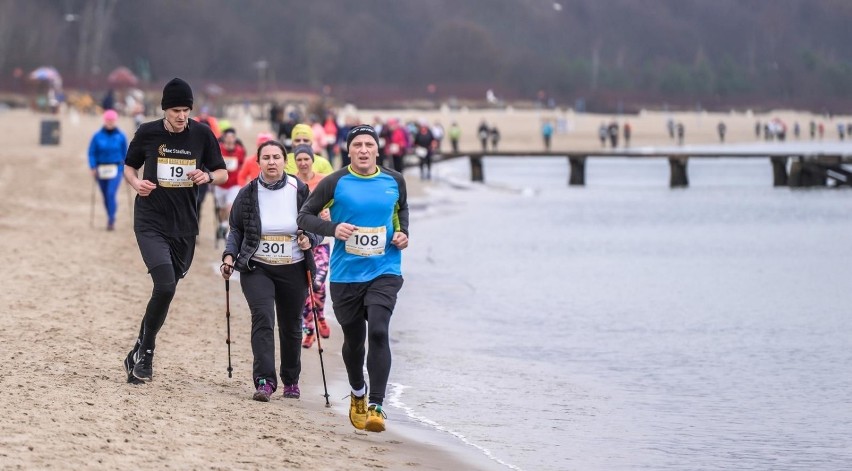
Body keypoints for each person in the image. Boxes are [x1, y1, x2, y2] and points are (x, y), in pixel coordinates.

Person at [298, 124, 409, 433]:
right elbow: (304, 216)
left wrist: (403, 234)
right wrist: (334, 229)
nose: (363, 149)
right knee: (355, 341)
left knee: (377, 331)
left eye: (368, 144)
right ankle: (357, 393)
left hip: (385, 269)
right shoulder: (335, 182)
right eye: (357, 144)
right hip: (346, 275)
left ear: (377, 149)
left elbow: (401, 212)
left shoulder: (394, 180)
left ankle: (376, 405)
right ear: (348, 151)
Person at [122, 77, 227, 383]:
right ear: (165, 110)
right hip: (150, 220)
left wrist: (207, 177)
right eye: (176, 110)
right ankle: (148, 353)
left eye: (186, 110)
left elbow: (222, 172)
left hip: (184, 226)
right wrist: (135, 183)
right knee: (165, 285)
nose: (181, 116)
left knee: (168, 290)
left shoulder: (203, 135)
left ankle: (138, 348)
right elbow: (129, 167)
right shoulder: (147, 133)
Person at [220, 140, 321, 401]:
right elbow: (236, 230)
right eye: (266, 158)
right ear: (258, 162)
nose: (272, 162)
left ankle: (291, 380)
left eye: (277, 157)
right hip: (257, 267)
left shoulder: (299, 189)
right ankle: (264, 381)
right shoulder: (248, 193)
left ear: (284, 161)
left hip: (294, 267)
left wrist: (308, 238)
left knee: (290, 325)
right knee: (263, 318)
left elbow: (315, 225)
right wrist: (229, 256)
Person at [292, 145, 333, 349]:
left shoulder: (324, 181)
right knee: (305, 287)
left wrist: (329, 215)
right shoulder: (291, 182)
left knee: (317, 282)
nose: (303, 163)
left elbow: (337, 204)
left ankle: (321, 316)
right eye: (299, 159)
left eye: (306, 159)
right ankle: (309, 329)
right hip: (300, 242)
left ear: (312, 160)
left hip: (322, 241)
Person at [88, 109, 128, 231]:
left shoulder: (121, 136)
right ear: (104, 121)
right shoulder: (97, 136)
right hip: (101, 169)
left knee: (111, 193)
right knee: (105, 196)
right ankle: (110, 215)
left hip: (116, 169)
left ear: (116, 121)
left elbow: (125, 154)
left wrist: (124, 169)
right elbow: (91, 152)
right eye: (108, 120)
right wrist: (92, 166)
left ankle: (111, 219)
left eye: (112, 120)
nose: (110, 122)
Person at [214, 128, 247, 241]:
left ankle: (229, 231)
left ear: (234, 139)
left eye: (231, 138)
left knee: (230, 207)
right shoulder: (218, 149)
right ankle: (223, 224)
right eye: (227, 139)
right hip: (220, 184)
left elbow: (242, 164)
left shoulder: (240, 150)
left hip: (234, 184)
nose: (229, 141)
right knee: (222, 208)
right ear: (224, 139)